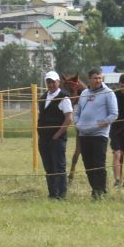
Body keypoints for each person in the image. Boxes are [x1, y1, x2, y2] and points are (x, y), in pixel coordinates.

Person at [71, 67, 118, 199]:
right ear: (89, 79)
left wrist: (99, 124)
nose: (98, 80)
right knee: (88, 165)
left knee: (98, 164)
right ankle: (94, 189)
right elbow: (78, 111)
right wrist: (77, 122)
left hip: (99, 135)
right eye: (95, 78)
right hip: (83, 135)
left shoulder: (108, 93)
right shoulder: (84, 93)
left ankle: (100, 191)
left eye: (99, 78)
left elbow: (114, 114)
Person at [35, 71, 73, 199]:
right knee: (48, 166)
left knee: (59, 167)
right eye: (49, 82)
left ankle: (61, 195)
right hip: (44, 138)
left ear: (58, 82)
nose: (51, 84)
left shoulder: (64, 98)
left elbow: (68, 119)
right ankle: (52, 193)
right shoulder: (43, 97)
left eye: (53, 81)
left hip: (57, 139)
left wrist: (57, 135)